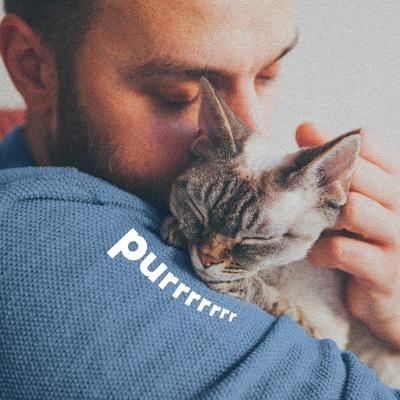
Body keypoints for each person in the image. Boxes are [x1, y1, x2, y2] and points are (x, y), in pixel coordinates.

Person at [0, 0, 399, 398]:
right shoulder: (30, 245)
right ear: (31, 65)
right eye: (180, 95)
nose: (254, 129)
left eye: (267, 74)